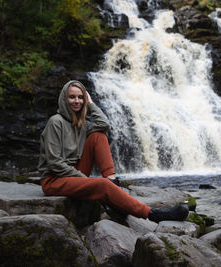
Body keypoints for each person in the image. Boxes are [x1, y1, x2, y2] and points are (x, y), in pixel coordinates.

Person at [38, 80, 189, 223]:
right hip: (54, 180)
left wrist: (90, 104)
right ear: (64, 98)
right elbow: (54, 163)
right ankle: (152, 214)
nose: (77, 101)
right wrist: (84, 179)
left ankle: (112, 182)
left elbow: (104, 124)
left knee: (98, 136)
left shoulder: (82, 124)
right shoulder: (55, 122)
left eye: (80, 97)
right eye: (72, 97)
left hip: (75, 173)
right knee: (101, 185)